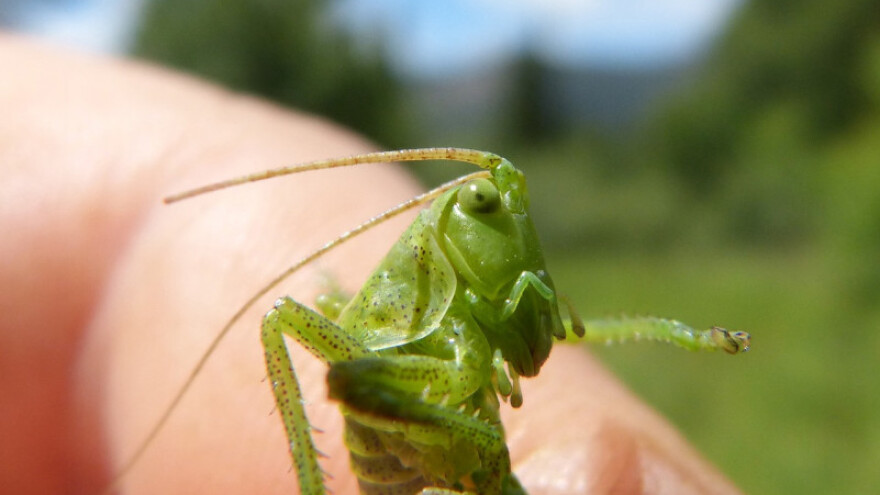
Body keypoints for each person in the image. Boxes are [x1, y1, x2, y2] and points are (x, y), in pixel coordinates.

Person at [0, 34, 742, 495]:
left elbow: (566, 333)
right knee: (289, 320)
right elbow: (351, 372)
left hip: (436, 411)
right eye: (490, 208)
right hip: (390, 409)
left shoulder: (504, 279)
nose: (510, 222)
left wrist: (689, 334)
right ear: (467, 216)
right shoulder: (440, 238)